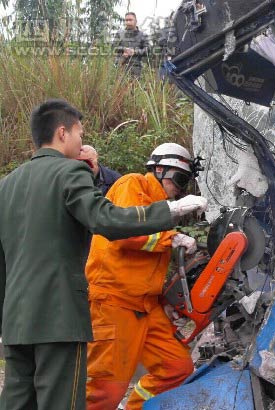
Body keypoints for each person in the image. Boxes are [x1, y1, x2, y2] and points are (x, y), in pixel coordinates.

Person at [0, 100, 208, 410]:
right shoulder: (70, 171)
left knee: (17, 402)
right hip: (62, 317)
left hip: (17, 319)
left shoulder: (7, 184)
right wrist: (171, 213)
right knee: (68, 401)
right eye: (79, 134)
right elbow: (106, 221)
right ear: (62, 133)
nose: (83, 143)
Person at [85, 143, 201, 410]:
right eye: (179, 179)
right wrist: (171, 239)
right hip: (114, 301)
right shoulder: (132, 184)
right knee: (104, 391)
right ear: (159, 169)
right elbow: (126, 235)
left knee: (177, 368)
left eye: (186, 182)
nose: (180, 188)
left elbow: (146, 265)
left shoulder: (160, 208)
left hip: (146, 306)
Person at [113, 12, 150, 77]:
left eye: (130, 20)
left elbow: (148, 50)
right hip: (120, 66)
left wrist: (135, 52)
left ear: (135, 21)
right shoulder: (119, 33)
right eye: (126, 20)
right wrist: (124, 49)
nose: (128, 22)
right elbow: (114, 47)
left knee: (134, 86)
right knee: (119, 86)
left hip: (135, 69)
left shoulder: (143, 35)